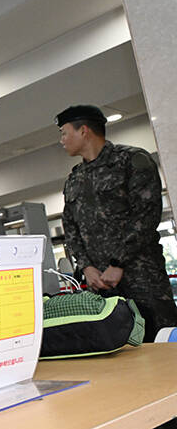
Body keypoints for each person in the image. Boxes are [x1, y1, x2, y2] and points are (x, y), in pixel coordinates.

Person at [57, 104, 177, 341]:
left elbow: (146, 215)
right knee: (119, 348)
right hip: (101, 286)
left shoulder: (131, 160)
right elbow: (70, 229)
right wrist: (87, 267)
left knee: (162, 340)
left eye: (64, 132)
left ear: (84, 131)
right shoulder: (74, 179)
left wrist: (117, 263)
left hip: (142, 276)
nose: (61, 140)